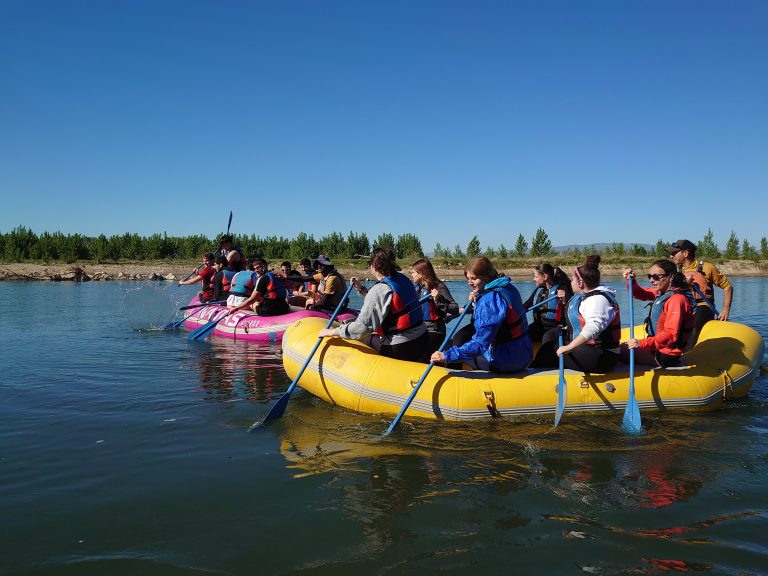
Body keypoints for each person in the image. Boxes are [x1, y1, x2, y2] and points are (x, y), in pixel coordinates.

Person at [318, 247, 429, 361]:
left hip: (402, 346)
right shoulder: (402, 279)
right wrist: (361, 289)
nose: (369, 266)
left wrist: (332, 332)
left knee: (365, 339)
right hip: (422, 338)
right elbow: (386, 302)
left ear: (375, 266)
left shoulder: (380, 289)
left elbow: (361, 329)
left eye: (369, 263)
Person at [431, 256, 532, 373]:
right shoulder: (506, 286)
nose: (470, 283)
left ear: (486, 276)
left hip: (505, 360)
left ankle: (458, 382)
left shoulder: (490, 300)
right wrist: (477, 302)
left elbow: (480, 343)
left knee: (449, 350)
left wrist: (446, 356)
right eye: (468, 278)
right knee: (458, 340)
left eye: (474, 278)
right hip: (523, 351)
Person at [533, 255, 621, 373]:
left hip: (602, 355)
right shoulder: (585, 297)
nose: (571, 283)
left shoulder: (597, 300)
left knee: (549, 352)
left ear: (580, 282)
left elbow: (593, 328)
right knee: (549, 340)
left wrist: (569, 347)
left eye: (573, 280)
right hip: (590, 348)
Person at [620, 260, 696, 368]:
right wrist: (631, 281)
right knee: (622, 347)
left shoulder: (677, 300)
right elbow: (639, 293)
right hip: (658, 347)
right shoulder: (662, 293)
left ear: (671, 277)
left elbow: (670, 334)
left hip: (666, 354)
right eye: (649, 276)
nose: (651, 280)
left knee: (618, 351)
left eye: (656, 277)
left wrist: (641, 343)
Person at [667, 239, 733, 345]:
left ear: (685, 253)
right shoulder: (675, 272)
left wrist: (725, 310)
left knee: (694, 323)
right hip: (683, 306)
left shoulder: (707, 267)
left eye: (674, 253)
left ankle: (689, 354)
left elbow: (727, 287)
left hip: (703, 306)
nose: (671, 256)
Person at [410, 258, 459, 354]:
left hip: (434, 330)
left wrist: (438, 299)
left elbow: (455, 309)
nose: (412, 275)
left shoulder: (439, 286)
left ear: (421, 274)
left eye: (413, 272)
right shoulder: (418, 287)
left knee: (416, 350)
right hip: (420, 329)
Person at [523, 263, 573, 343]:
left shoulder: (562, 289)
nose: (534, 279)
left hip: (556, 327)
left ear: (545, 277)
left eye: (536, 277)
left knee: (547, 338)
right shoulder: (539, 290)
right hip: (539, 326)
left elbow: (570, 305)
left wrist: (564, 298)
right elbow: (527, 305)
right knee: (523, 337)